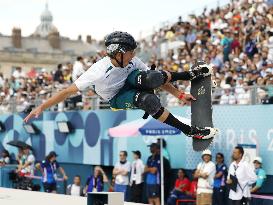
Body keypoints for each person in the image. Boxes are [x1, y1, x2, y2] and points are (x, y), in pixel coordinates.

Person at [24, 31, 218, 142]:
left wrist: (178, 94)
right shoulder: (98, 70)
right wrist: (41, 107)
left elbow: (157, 78)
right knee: (149, 100)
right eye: (130, 53)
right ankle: (189, 130)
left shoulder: (131, 62)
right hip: (116, 97)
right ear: (118, 53)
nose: (133, 56)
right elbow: (66, 92)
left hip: (131, 81)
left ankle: (191, 75)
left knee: (151, 76)